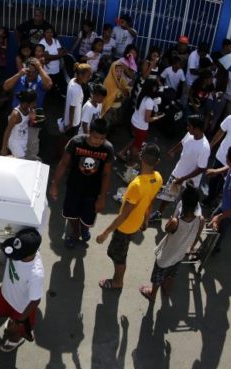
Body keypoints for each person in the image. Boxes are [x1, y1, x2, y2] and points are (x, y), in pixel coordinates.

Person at [96, 144, 163, 289]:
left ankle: (117, 282)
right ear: (157, 162)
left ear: (141, 156)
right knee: (119, 253)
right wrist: (145, 220)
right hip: (137, 223)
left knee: (118, 256)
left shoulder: (136, 185)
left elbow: (124, 214)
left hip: (125, 228)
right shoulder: (158, 178)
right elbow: (151, 202)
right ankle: (117, 280)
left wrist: (105, 233)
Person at [50, 119, 114, 247]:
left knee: (87, 218)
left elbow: (107, 174)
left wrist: (102, 198)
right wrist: (54, 184)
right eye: (96, 137)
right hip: (74, 187)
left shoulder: (108, 149)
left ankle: (84, 229)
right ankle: (76, 233)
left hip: (93, 192)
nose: (98, 141)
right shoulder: (76, 142)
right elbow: (63, 163)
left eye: (102, 138)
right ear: (89, 132)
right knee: (71, 215)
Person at [140, 186, 203, 301]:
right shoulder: (200, 220)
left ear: (183, 203)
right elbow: (197, 235)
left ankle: (152, 294)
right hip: (180, 254)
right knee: (172, 273)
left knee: (158, 275)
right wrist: (192, 247)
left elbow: (167, 229)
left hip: (166, 254)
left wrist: (170, 221)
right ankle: (167, 289)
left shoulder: (175, 222)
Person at [0, 228, 44, 352]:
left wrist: (20, 320)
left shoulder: (35, 275)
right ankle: (12, 321)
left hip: (21, 307)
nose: (13, 256)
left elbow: (35, 300)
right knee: (6, 317)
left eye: (18, 254)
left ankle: (17, 338)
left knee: (18, 330)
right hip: (6, 293)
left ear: (30, 255)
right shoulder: (20, 249)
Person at [149, 115, 209, 220]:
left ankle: (179, 222)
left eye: (189, 126)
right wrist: (173, 151)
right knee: (167, 195)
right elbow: (182, 143)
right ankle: (159, 213)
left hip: (190, 182)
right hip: (177, 173)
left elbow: (201, 168)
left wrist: (183, 179)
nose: (187, 128)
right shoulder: (190, 134)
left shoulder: (204, 147)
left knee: (185, 203)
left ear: (197, 129)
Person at [2, 58, 53, 160]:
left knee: (31, 144)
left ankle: (29, 160)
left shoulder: (41, 81)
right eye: (29, 71)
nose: (31, 74)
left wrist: (40, 68)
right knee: (16, 141)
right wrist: (19, 74)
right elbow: (5, 87)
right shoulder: (19, 78)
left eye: (34, 72)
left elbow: (49, 85)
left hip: (34, 116)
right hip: (18, 116)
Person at [117, 78, 164, 180]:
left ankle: (122, 152)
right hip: (141, 127)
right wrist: (157, 117)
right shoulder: (149, 101)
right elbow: (147, 119)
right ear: (152, 87)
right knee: (136, 147)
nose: (157, 88)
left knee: (135, 139)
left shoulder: (141, 94)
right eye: (156, 86)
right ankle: (130, 164)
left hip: (134, 122)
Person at [1, 89, 36, 158]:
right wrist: (4, 148)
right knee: (22, 160)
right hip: (14, 142)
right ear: (27, 103)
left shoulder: (30, 110)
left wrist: (32, 118)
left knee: (18, 160)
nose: (35, 104)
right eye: (34, 102)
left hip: (23, 141)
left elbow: (30, 125)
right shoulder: (15, 115)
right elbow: (7, 131)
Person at [62, 63, 92, 137]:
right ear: (80, 75)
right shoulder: (77, 90)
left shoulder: (72, 80)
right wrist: (71, 124)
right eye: (88, 76)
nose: (89, 78)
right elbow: (72, 108)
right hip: (73, 122)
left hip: (68, 119)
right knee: (70, 138)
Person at [39, 27, 66, 94]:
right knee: (46, 85)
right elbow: (46, 56)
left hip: (56, 68)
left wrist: (49, 57)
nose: (49, 34)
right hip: (46, 69)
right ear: (44, 33)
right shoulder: (42, 42)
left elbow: (59, 54)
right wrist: (58, 56)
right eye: (47, 32)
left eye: (51, 32)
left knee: (54, 85)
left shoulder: (56, 41)